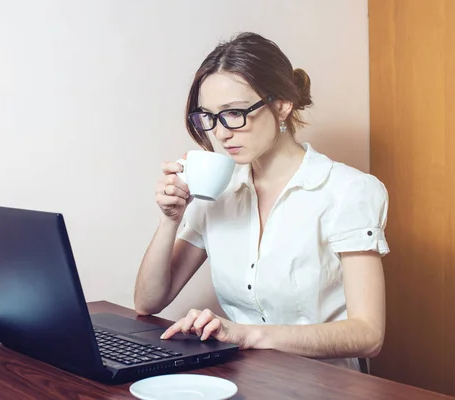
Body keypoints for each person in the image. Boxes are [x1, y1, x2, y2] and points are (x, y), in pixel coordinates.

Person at [133, 32, 389, 371]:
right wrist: (171, 218)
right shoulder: (218, 192)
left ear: (282, 104)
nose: (221, 133)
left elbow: (368, 335)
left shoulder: (347, 191)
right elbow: (148, 301)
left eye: (234, 113)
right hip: (244, 378)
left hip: (325, 386)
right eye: (207, 116)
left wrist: (246, 334)